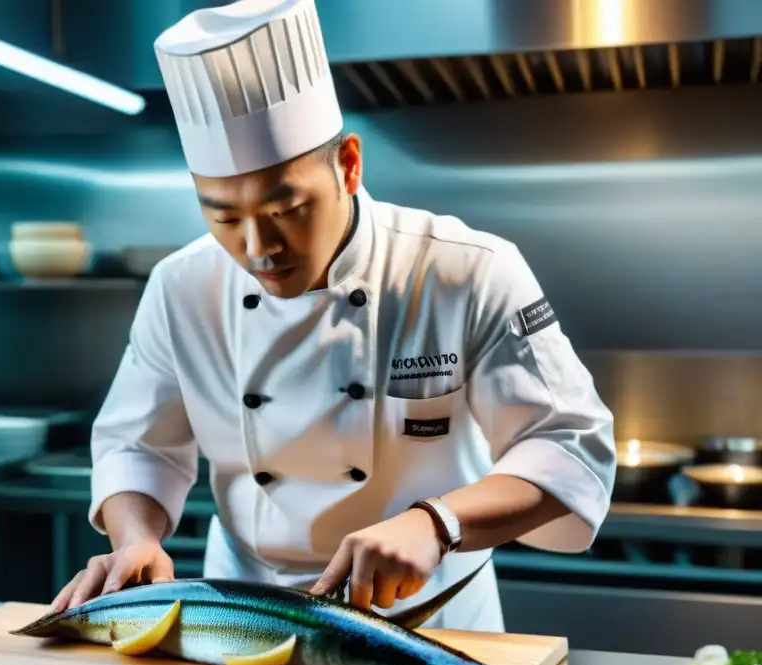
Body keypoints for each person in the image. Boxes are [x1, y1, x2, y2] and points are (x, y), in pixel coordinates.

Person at [52, 0, 617, 632]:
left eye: (286, 208)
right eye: (224, 218)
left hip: (429, 614)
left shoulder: (466, 270)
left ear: (348, 164)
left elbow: (570, 444)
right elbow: (138, 443)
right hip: (246, 611)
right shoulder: (180, 286)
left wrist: (438, 522)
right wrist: (135, 538)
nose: (259, 248)